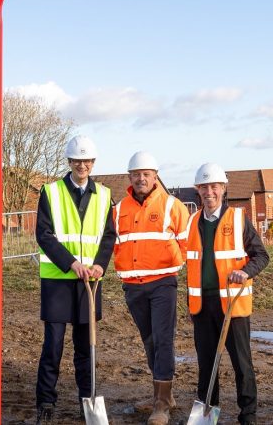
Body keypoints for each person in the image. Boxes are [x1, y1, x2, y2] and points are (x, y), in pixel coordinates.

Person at [101, 151, 190, 425]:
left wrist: (173, 266)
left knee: (163, 340)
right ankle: (163, 394)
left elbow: (187, 244)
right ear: (129, 177)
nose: (141, 178)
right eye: (136, 174)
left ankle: (162, 405)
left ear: (155, 176)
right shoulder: (118, 210)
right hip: (133, 287)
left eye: (146, 174)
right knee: (149, 340)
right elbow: (110, 245)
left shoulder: (172, 205)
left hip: (163, 284)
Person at [32, 135, 114, 424]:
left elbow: (108, 236)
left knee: (85, 346)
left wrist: (100, 266)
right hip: (57, 280)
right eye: (78, 161)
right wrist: (71, 263)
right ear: (69, 162)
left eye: (87, 161)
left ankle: (86, 400)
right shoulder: (51, 192)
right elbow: (44, 234)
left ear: (93, 163)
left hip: (89, 283)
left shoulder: (104, 195)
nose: (83, 165)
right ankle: (45, 402)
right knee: (53, 346)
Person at [182, 163, 269, 425]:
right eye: (204, 187)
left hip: (233, 304)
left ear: (223, 188)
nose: (209, 192)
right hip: (202, 304)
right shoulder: (192, 221)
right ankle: (208, 412)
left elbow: (262, 256)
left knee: (242, 363)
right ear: (198, 190)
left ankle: (248, 415)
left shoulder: (238, 219)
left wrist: (245, 272)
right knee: (207, 363)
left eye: (214, 187)